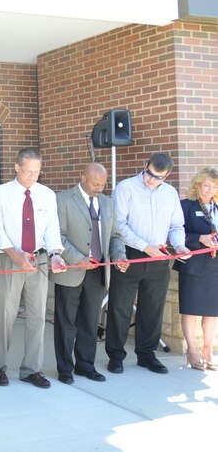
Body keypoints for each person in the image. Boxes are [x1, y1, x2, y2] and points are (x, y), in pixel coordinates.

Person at [106, 153, 191, 375]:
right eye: (150, 174)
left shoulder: (170, 193)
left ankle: (146, 355)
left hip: (159, 256)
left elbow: (176, 226)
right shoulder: (125, 188)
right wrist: (145, 247)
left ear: (167, 176)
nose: (152, 180)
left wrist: (179, 246)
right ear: (146, 166)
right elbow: (119, 225)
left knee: (152, 309)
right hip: (130, 254)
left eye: (159, 177)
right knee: (119, 307)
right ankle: (116, 356)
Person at [0, 147, 67, 389]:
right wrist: (15, 254)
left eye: (37, 172)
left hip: (39, 260)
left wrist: (55, 255)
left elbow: (52, 228)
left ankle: (32, 369)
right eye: (28, 171)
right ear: (17, 167)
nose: (32, 176)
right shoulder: (0, 193)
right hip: (10, 259)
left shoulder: (47, 195)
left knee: (37, 317)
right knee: (3, 315)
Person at [51, 163, 128, 385]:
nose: (99, 188)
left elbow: (114, 236)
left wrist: (119, 256)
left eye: (103, 184)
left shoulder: (107, 203)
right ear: (82, 177)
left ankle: (86, 365)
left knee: (90, 321)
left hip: (98, 271)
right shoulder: (63, 199)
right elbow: (58, 236)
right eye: (95, 184)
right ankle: (65, 367)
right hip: (72, 270)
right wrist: (77, 258)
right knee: (66, 322)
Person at [173, 166, 218, 371]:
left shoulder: (217, 207)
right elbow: (175, 234)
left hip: (214, 266)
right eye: (206, 184)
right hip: (193, 265)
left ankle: (207, 349)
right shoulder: (185, 206)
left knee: (212, 311)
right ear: (198, 184)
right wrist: (200, 238)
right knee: (191, 310)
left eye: (214, 186)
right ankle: (191, 350)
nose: (210, 189)